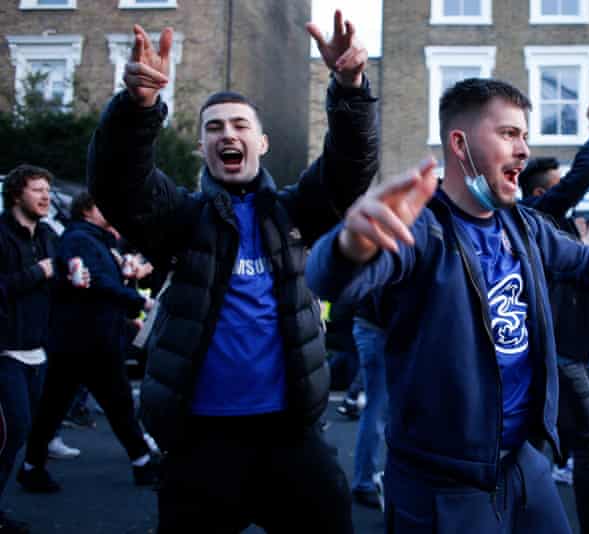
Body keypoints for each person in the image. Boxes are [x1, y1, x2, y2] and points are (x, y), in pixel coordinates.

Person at [305, 77, 589, 533]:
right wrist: (349, 247)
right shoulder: (423, 230)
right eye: (509, 134)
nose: (524, 150)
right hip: (445, 483)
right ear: (460, 143)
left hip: (522, 463)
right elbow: (332, 280)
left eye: (525, 136)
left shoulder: (524, 226)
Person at [87, 11, 379, 532]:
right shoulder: (181, 218)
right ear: (202, 147)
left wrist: (351, 88)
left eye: (241, 125)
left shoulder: (293, 212)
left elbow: (349, 169)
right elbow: (118, 184)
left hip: (290, 436)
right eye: (214, 128)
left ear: (261, 143)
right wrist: (138, 108)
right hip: (200, 443)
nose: (228, 134)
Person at [17, 193, 159, 493]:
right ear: (87, 211)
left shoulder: (92, 240)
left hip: (83, 338)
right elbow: (93, 282)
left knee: (57, 405)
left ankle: (32, 466)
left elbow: (101, 281)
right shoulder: (80, 240)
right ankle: (142, 462)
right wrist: (138, 301)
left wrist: (126, 289)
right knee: (115, 402)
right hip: (88, 339)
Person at [517, 92, 589, 534]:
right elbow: (581, 178)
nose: (567, 188)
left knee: (538, 446)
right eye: (558, 183)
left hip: (569, 351)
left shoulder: (558, 224)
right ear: (542, 192)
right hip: (562, 355)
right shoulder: (537, 213)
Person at [0, 164, 61, 533]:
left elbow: (59, 274)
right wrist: (39, 273)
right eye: (37, 190)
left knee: (23, 432)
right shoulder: (1, 235)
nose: (45, 197)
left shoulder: (48, 234)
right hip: (5, 349)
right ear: (17, 193)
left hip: (38, 348)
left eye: (47, 191)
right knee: (13, 430)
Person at [350, 302, 388, 511]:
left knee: (377, 409)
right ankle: (364, 482)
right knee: (378, 411)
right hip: (379, 331)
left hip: (371, 328)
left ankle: (365, 480)